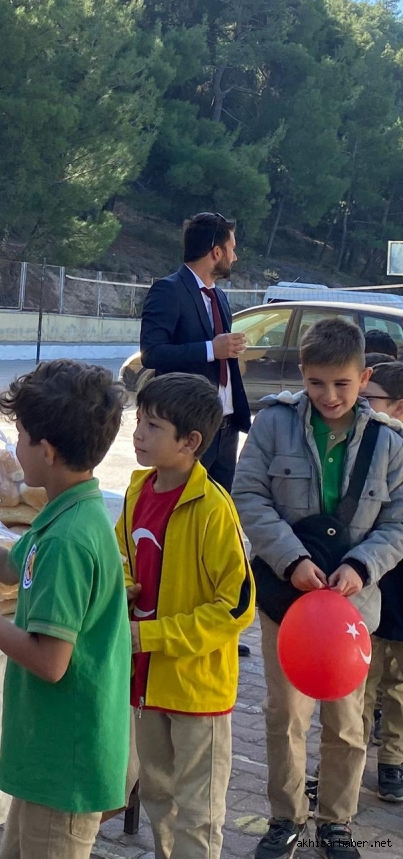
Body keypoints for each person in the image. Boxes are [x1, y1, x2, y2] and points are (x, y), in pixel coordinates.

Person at [0, 359, 131, 859]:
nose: (15, 449)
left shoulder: (68, 540)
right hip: (49, 760)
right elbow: (10, 566)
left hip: (65, 765)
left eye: (20, 437)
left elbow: (51, 662)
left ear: (47, 450)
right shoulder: (67, 511)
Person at [232, 318, 403, 859]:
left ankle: (337, 821)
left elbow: (398, 522)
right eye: (316, 383)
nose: (329, 396)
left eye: (343, 384)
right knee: (286, 715)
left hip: (353, 606)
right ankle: (285, 817)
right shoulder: (273, 424)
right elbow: (248, 495)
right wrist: (291, 560)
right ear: (302, 374)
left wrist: (361, 566)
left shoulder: (388, 442)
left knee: (347, 722)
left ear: (365, 377)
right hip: (287, 600)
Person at [115, 373, 254, 859]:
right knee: (158, 799)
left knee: (199, 812)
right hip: (146, 682)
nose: (138, 434)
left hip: (197, 690)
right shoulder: (136, 492)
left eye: (153, 426)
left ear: (190, 442)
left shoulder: (214, 508)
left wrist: (149, 635)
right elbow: (122, 559)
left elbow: (235, 606)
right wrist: (121, 591)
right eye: (138, 421)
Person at [138, 212, 250, 493]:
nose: (235, 257)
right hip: (187, 428)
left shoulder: (219, 296)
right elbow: (152, 353)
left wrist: (229, 351)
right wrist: (212, 349)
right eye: (232, 249)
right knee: (180, 506)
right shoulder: (168, 290)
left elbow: (220, 355)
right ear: (216, 252)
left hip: (226, 428)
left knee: (219, 508)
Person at [360, 360, 403, 802]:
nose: (360, 406)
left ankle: (392, 760)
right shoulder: (366, 446)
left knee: (400, 685)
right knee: (361, 682)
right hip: (369, 586)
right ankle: (345, 763)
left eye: (369, 400)